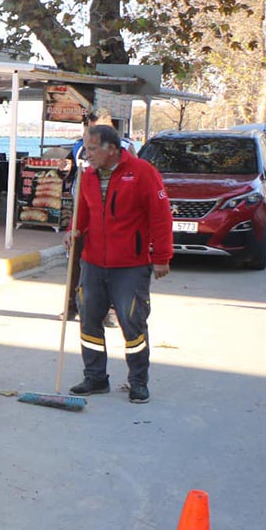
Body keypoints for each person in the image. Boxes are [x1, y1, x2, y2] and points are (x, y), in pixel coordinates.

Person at [62, 125, 172, 403]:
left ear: (112, 149)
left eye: (92, 148)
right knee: (89, 320)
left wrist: (161, 257)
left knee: (132, 322)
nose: (86, 154)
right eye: (85, 148)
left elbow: (161, 217)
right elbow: (83, 213)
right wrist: (73, 230)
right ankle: (95, 377)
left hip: (130, 264)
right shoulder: (87, 176)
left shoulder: (142, 173)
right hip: (93, 262)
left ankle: (138, 382)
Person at [63, 109, 133, 326]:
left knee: (111, 268)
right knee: (76, 264)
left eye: (97, 125)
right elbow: (69, 168)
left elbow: (133, 174)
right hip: (85, 210)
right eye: (90, 125)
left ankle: (111, 310)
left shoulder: (124, 147)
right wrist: (64, 167)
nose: (92, 129)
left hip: (115, 218)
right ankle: (71, 307)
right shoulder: (79, 146)